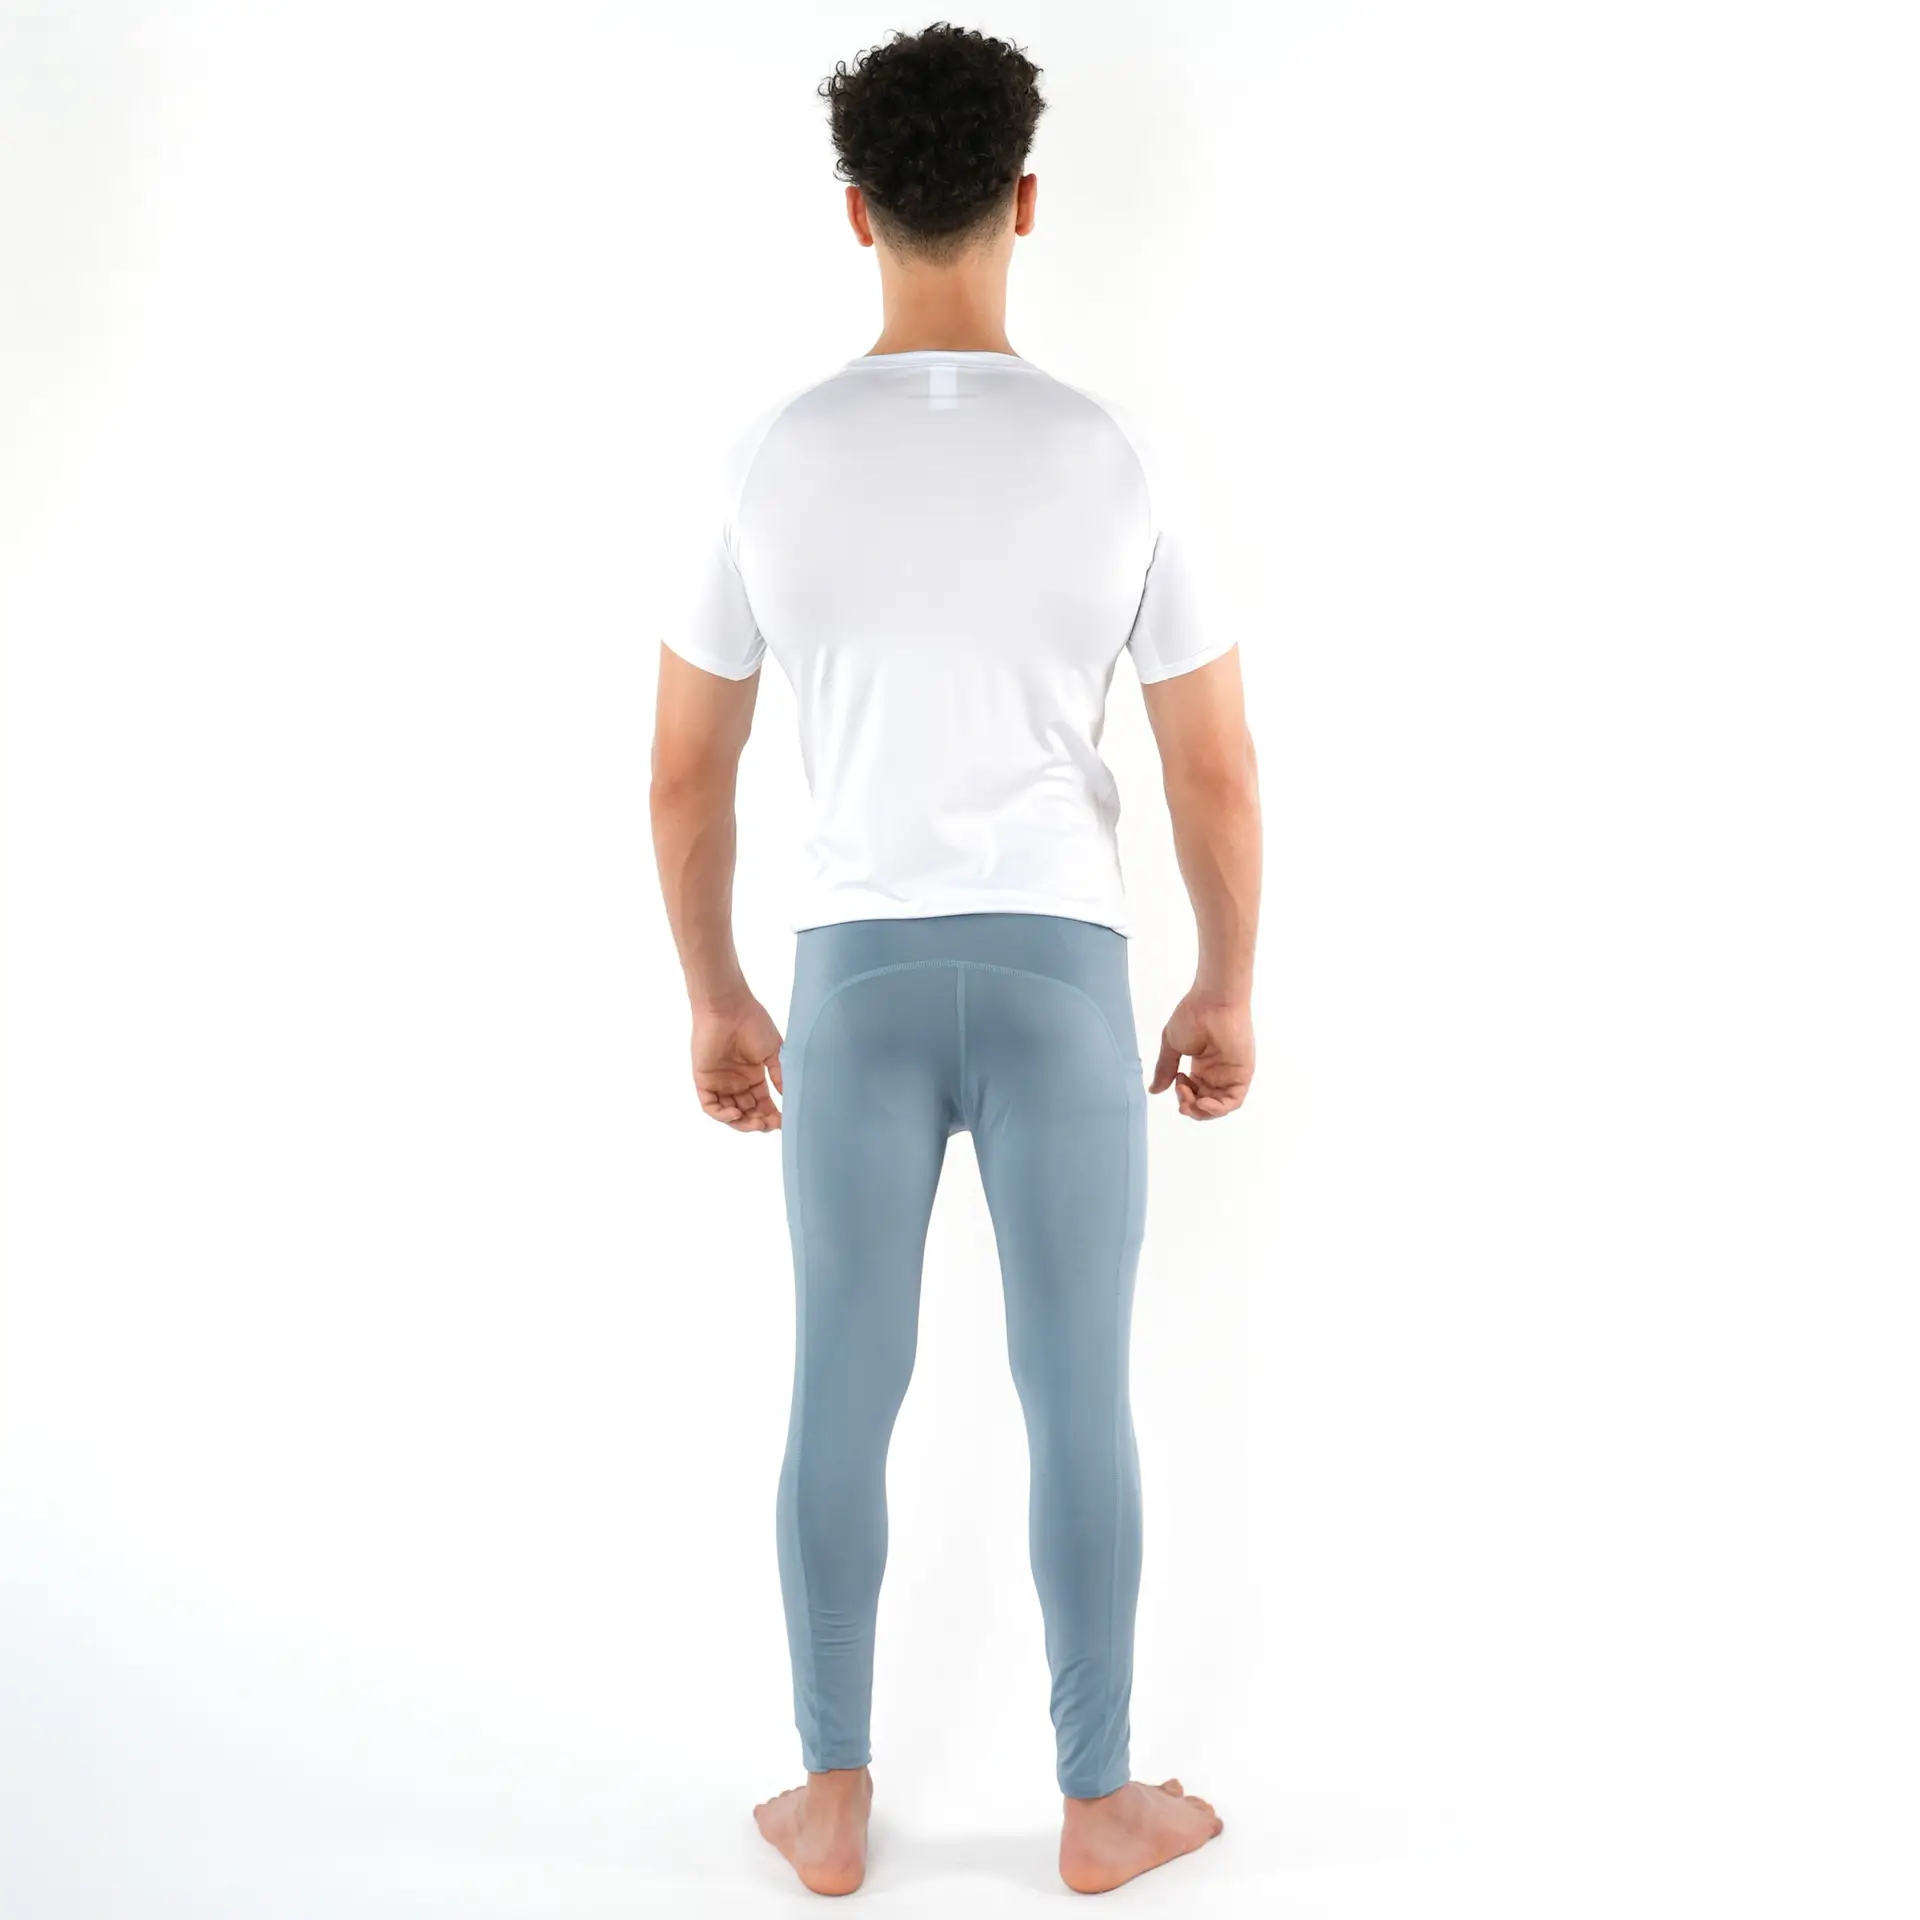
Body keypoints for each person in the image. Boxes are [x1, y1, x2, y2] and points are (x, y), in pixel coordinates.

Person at [649, 23, 1260, 1898]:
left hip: (855, 980)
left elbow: (683, 776)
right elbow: (1214, 771)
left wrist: (717, 992)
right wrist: (1225, 981)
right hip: (1065, 975)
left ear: (857, 212)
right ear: (1024, 201)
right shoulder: (1114, 455)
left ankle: (830, 1797)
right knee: (1081, 1394)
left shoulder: (768, 458)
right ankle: (1098, 1803)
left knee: (841, 1385)